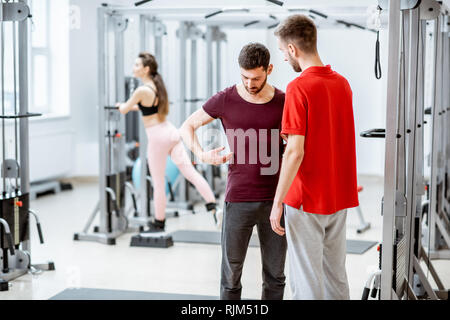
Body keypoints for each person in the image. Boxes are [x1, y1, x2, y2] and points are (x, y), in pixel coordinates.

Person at [180, 43, 287, 300]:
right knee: (231, 276)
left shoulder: (284, 101)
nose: (250, 83)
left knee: (275, 276)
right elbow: (187, 126)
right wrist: (201, 154)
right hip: (237, 198)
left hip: (276, 201)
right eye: (245, 77)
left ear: (269, 69)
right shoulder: (226, 99)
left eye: (256, 78)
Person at [270, 15, 359, 300]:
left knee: (306, 281)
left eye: (283, 52)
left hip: (306, 198)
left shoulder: (299, 87)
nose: (284, 58)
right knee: (336, 277)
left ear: (293, 49)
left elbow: (295, 151)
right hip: (338, 196)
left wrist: (277, 203)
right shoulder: (342, 84)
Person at [117, 52, 221, 232]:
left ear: (146, 69)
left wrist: (121, 105)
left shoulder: (141, 90)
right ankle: (214, 207)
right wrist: (134, 106)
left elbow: (125, 109)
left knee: (158, 183)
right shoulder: (157, 86)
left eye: (136, 65)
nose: (133, 68)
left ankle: (159, 222)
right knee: (191, 173)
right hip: (171, 132)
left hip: (157, 138)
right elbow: (145, 107)